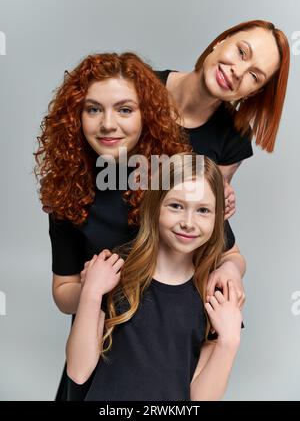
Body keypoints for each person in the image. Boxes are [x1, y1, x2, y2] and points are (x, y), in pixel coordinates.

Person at [34, 52, 246, 400]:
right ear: (75, 116)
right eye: (93, 109)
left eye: (125, 109)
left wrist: (231, 272)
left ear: (146, 114)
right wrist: (93, 292)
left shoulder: (172, 174)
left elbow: (230, 254)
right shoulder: (68, 192)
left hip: (168, 349)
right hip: (102, 346)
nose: (108, 124)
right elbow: (64, 290)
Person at [66, 153, 242, 401]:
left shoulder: (214, 293)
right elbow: (78, 371)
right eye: (176, 206)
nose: (188, 223)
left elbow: (201, 399)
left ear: (217, 218)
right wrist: (91, 293)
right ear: (155, 204)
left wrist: (229, 342)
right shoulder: (115, 271)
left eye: (203, 210)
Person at [155, 19, 290, 189]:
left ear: (253, 92)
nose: (239, 72)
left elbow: (208, 205)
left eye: (254, 77)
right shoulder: (133, 86)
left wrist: (221, 199)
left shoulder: (235, 136)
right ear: (221, 41)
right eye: (241, 52)